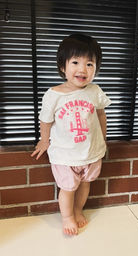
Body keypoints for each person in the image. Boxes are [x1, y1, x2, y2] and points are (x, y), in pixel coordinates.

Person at [31, 34, 111, 236]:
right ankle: (67, 217)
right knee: (67, 188)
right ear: (62, 67)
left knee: (85, 184)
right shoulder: (53, 94)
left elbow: (101, 115)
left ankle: (78, 210)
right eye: (75, 62)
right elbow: (46, 119)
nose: (82, 69)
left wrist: (103, 138)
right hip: (65, 155)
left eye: (90, 64)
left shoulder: (95, 91)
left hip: (91, 152)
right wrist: (43, 140)